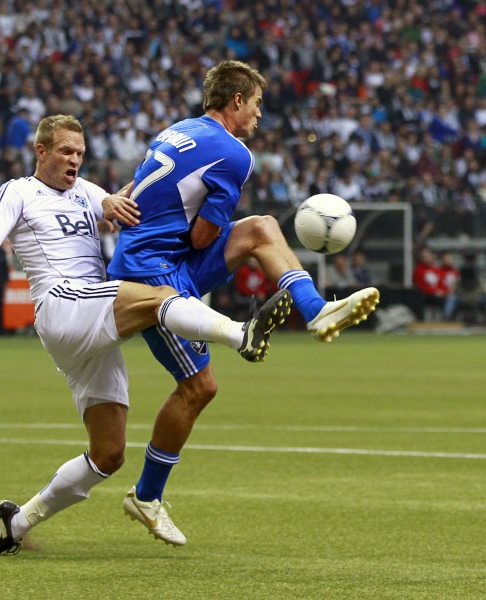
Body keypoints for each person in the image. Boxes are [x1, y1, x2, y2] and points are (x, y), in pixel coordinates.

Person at [0, 114, 290, 555]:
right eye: (66, 151)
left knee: (108, 455)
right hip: (63, 303)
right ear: (41, 151)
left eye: (80, 154)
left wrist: (120, 203)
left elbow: (122, 202)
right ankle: (241, 334)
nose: (74, 160)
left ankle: (18, 521)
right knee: (157, 295)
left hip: (93, 321)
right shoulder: (18, 192)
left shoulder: (87, 192)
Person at [106, 60, 379, 545]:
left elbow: (138, 191)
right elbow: (204, 233)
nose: (258, 115)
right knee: (199, 387)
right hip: (152, 274)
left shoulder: (175, 132)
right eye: (255, 105)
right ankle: (146, 496)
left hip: (161, 254)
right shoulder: (234, 154)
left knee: (261, 227)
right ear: (236, 101)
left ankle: (317, 310)